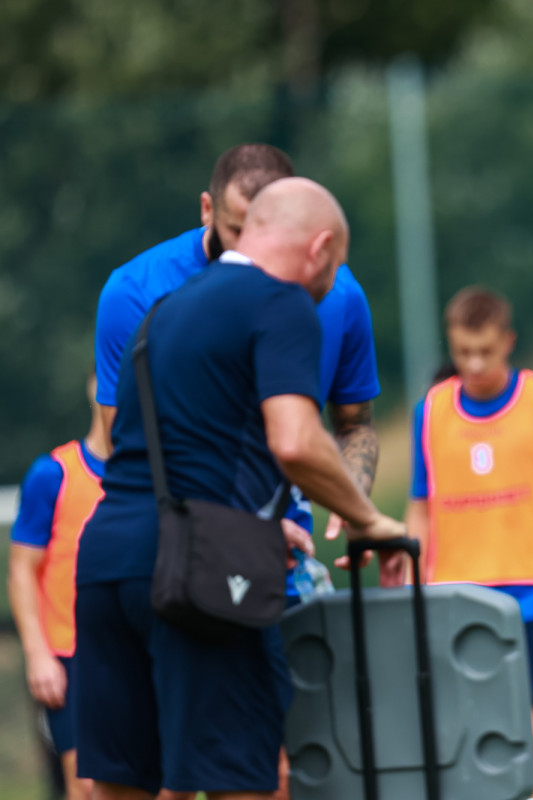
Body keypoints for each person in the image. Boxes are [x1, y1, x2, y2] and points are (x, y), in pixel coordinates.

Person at [73, 178, 407, 800]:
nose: (330, 285)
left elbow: (163, 453)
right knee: (242, 780)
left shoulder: (162, 312)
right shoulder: (281, 303)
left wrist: (257, 521)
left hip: (107, 560)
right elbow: (296, 441)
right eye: (334, 267)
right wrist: (369, 519)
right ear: (319, 248)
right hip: (197, 571)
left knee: (120, 785)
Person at [93, 142, 381, 563]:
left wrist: (351, 506)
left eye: (262, 231)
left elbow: (354, 426)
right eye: (235, 230)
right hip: (174, 551)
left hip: (287, 555)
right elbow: (132, 451)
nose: (248, 251)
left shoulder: (336, 292)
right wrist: (244, 525)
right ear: (207, 210)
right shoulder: (135, 291)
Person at [381, 286, 533, 797]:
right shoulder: (432, 409)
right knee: (460, 723)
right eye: (463, 352)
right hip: (453, 594)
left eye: (484, 350)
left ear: (507, 341)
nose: (474, 364)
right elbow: (421, 506)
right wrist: (413, 589)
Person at [9, 372, 109, 800]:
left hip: (136, 649)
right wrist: (37, 655)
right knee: (85, 784)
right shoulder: (53, 474)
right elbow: (21, 570)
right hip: (70, 656)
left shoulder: (156, 477)